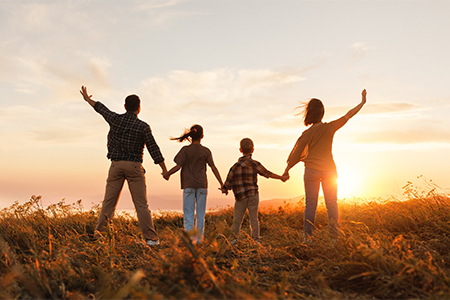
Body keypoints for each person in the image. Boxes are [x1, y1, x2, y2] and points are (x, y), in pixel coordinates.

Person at [79, 86, 167, 246]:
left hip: (116, 166)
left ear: (125, 107)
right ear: (139, 109)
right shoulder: (143, 127)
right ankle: (151, 239)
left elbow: (101, 108)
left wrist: (87, 99)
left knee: (109, 203)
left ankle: (99, 235)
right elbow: (154, 148)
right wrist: (164, 169)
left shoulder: (115, 119)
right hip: (134, 167)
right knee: (141, 205)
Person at [283, 89, 367, 238]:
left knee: (310, 205)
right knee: (332, 204)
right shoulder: (330, 127)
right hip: (329, 171)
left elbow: (296, 154)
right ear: (322, 113)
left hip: (311, 172)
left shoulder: (306, 134)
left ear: (309, 113)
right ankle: (334, 237)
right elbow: (348, 115)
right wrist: (362, 102)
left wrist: (286, 170)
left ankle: (308, 237)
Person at [163, 124, 224, 244]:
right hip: (202, 185)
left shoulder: (185, 150)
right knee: (200, 214)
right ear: (202, 136)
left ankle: (189, 240)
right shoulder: (206, 151)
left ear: (191, 136)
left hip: (188, 185)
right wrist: (221, 184)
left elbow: (178, 166)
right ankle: (199, 240)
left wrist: (167, 174)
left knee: (188, 214)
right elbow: (213, 168)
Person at [221, 138, 289, 244]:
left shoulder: (234, 167)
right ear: (253, 150)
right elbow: (268, 173)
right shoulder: (255, 164)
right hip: (253, 195)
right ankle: (256, 240)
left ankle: (233, 240)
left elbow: (227, 184)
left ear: (240, 150)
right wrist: (281, 177)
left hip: (240, 198)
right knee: (254, 219)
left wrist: (224, 189)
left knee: (237, 219)